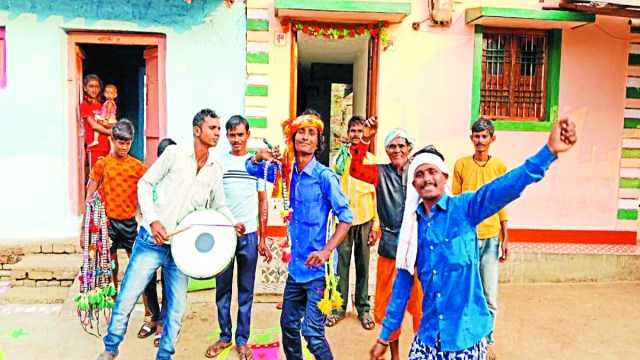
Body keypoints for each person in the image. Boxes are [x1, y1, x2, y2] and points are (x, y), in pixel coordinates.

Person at [370, 117, 578, 360]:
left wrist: (548, 152)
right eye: (419, 174)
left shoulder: (464, 209)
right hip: (428, 337)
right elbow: (402, 285)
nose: (426, 178)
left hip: (465, 338)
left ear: (444, 177)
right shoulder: (413, 230)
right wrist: (384, 336)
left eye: (432, 172)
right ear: (413, 184)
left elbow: (505, 187)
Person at [97, 109, 245, 360]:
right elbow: (145, 183)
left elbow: (219, 205)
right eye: (213, 128)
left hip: (182, 249)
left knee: (176, 309)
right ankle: (110, 349)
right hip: (150, 241)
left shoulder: (215, 167)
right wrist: (152, 221)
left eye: (219, 128)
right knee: (128, 296)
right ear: (197, 130)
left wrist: (233, 223)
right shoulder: (174, 154)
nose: (218, 133)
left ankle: (164, 355)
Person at [245, 111, 353, 360]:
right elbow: (251, 169)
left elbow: (346, 218)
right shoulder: (286, 173)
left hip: (319, 273)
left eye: (311, 133)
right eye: (300, 132)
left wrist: (326, 251)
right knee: (288, 326)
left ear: (318, 142)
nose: (305, 137)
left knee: (313, 334)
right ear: (292, 138)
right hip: (296, 270)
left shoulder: (325, 177)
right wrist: (258, 157)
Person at [348, 118, 423, 359]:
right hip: (391, 250)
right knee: (391, 307)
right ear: (386, 150)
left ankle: (423, 352)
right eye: (392, 146)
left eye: (402, 146)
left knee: (423, 308)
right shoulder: (380, 172)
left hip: (420, 251)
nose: (397, 150)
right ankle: (395, 357)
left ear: (410, 148)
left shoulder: (420, 171)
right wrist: (365, 138)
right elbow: (355, 169)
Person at [205, 115, 272, 359]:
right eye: (231, 135)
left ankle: (242, 339)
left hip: (250, 236)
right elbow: (210, 198)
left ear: (248, 135)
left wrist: (263, 238)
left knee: (246, 290)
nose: (236, 140)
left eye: (240, 135)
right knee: (222, 289)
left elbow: (263, 201)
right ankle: (225, 336)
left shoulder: (258, 164)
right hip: (224, 235)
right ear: (227, 136)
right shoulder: (218, 162)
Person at [452, 119, 508, 360]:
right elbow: (454, 201)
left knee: (489, 294)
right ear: (471, 138)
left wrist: (506, 236)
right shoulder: (461, 165)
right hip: (467, 237)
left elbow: (503, 201)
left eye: (484, 137)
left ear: (492, 139)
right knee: (464, 291)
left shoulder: (499, 167)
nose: (480, 141)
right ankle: (465, 339)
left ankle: (486, 343)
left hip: (491, 238)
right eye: (476, 137)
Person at [81, 119, 147, 294]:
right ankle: (113, 297)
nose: (124, 147)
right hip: (107, 223)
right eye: (120, 143)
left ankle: (149, 311)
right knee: (110, 262)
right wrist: (84, 231)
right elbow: (89, 200)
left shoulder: (138, 167)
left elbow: (150, 192)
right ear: (113, 140)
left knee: (137, 264)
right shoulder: (102, 165)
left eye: (127, 143)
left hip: (129, 222)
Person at [327, 115, 379, 330]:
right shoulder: (338, 160)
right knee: (341, 264)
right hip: (343, 221)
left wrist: (376, 225)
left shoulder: (372, 160)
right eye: (353, 131)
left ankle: (364, 310)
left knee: (363, 265)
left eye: (360, 131)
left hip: (365, 217)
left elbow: (377, 195)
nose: (356, 135)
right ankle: (338, 308)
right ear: (348, 134)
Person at [138, 138, 177, 347]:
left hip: (173, 239)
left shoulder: (181, 180)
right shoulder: (150, 178)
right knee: (147, 279)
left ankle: (163, 323)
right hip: (151, 239)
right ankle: (153, 317)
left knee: (169, 283)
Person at [80, 74, 112, 170]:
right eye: (91, 86)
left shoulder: (103, 105)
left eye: (97, 87)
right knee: (95, 175)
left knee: (107, 176)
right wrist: (111, 132)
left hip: (108, 146)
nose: (94, 90)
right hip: (95, 148)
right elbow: (94, 126)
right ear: (85, 88)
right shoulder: (85, 105)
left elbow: (109, 121)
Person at [89, 84, 119, 148]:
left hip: (109, 119)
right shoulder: (107, 102)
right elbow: (104, 111)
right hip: (109, 119)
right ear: (104, 94)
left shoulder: (110, 102)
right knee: (109, 135)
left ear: (115, 95)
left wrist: (106, 120)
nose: (109, 95)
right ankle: (112, 148)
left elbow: (108, 112)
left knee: (96, 119)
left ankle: (95, 140)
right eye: (107, 93)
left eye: (111, 93)